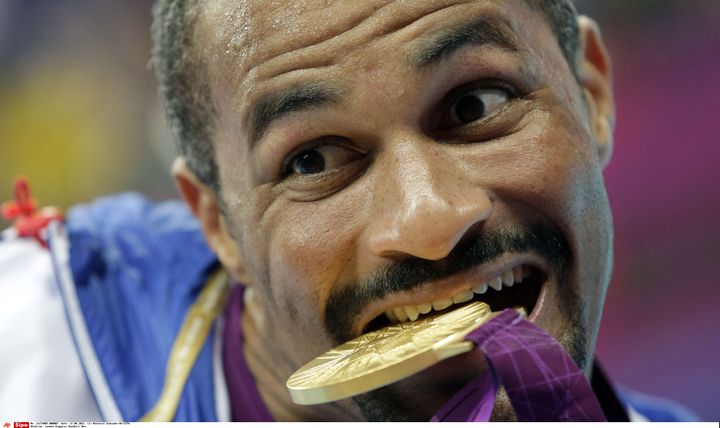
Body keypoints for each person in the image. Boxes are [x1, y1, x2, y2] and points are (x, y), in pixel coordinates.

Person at [0, 0, 700, 422]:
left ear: (591, 96)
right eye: (313, 160)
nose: (429, 220)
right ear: (218, 223)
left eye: (475, 106)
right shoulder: (30, 354)